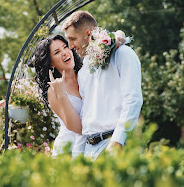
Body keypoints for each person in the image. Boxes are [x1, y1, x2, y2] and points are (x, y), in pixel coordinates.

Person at [61, 10, 143, 160]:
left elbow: (133, 100)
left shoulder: (123, 54)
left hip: (116, 144)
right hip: (89, 150)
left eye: (73, 39)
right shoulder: (83, 70)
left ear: (88, 33)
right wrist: (77, 156)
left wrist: (117, 141)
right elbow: (85, 116)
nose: (70, 46)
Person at [34, 34, 86, 157]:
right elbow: (77, 127)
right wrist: (62, 94)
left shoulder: (86, 75)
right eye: (57, 52)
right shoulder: (53, 90)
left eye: (65, 47)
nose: (64, 52)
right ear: (51, 63)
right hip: (67, 151)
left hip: (91, 146)